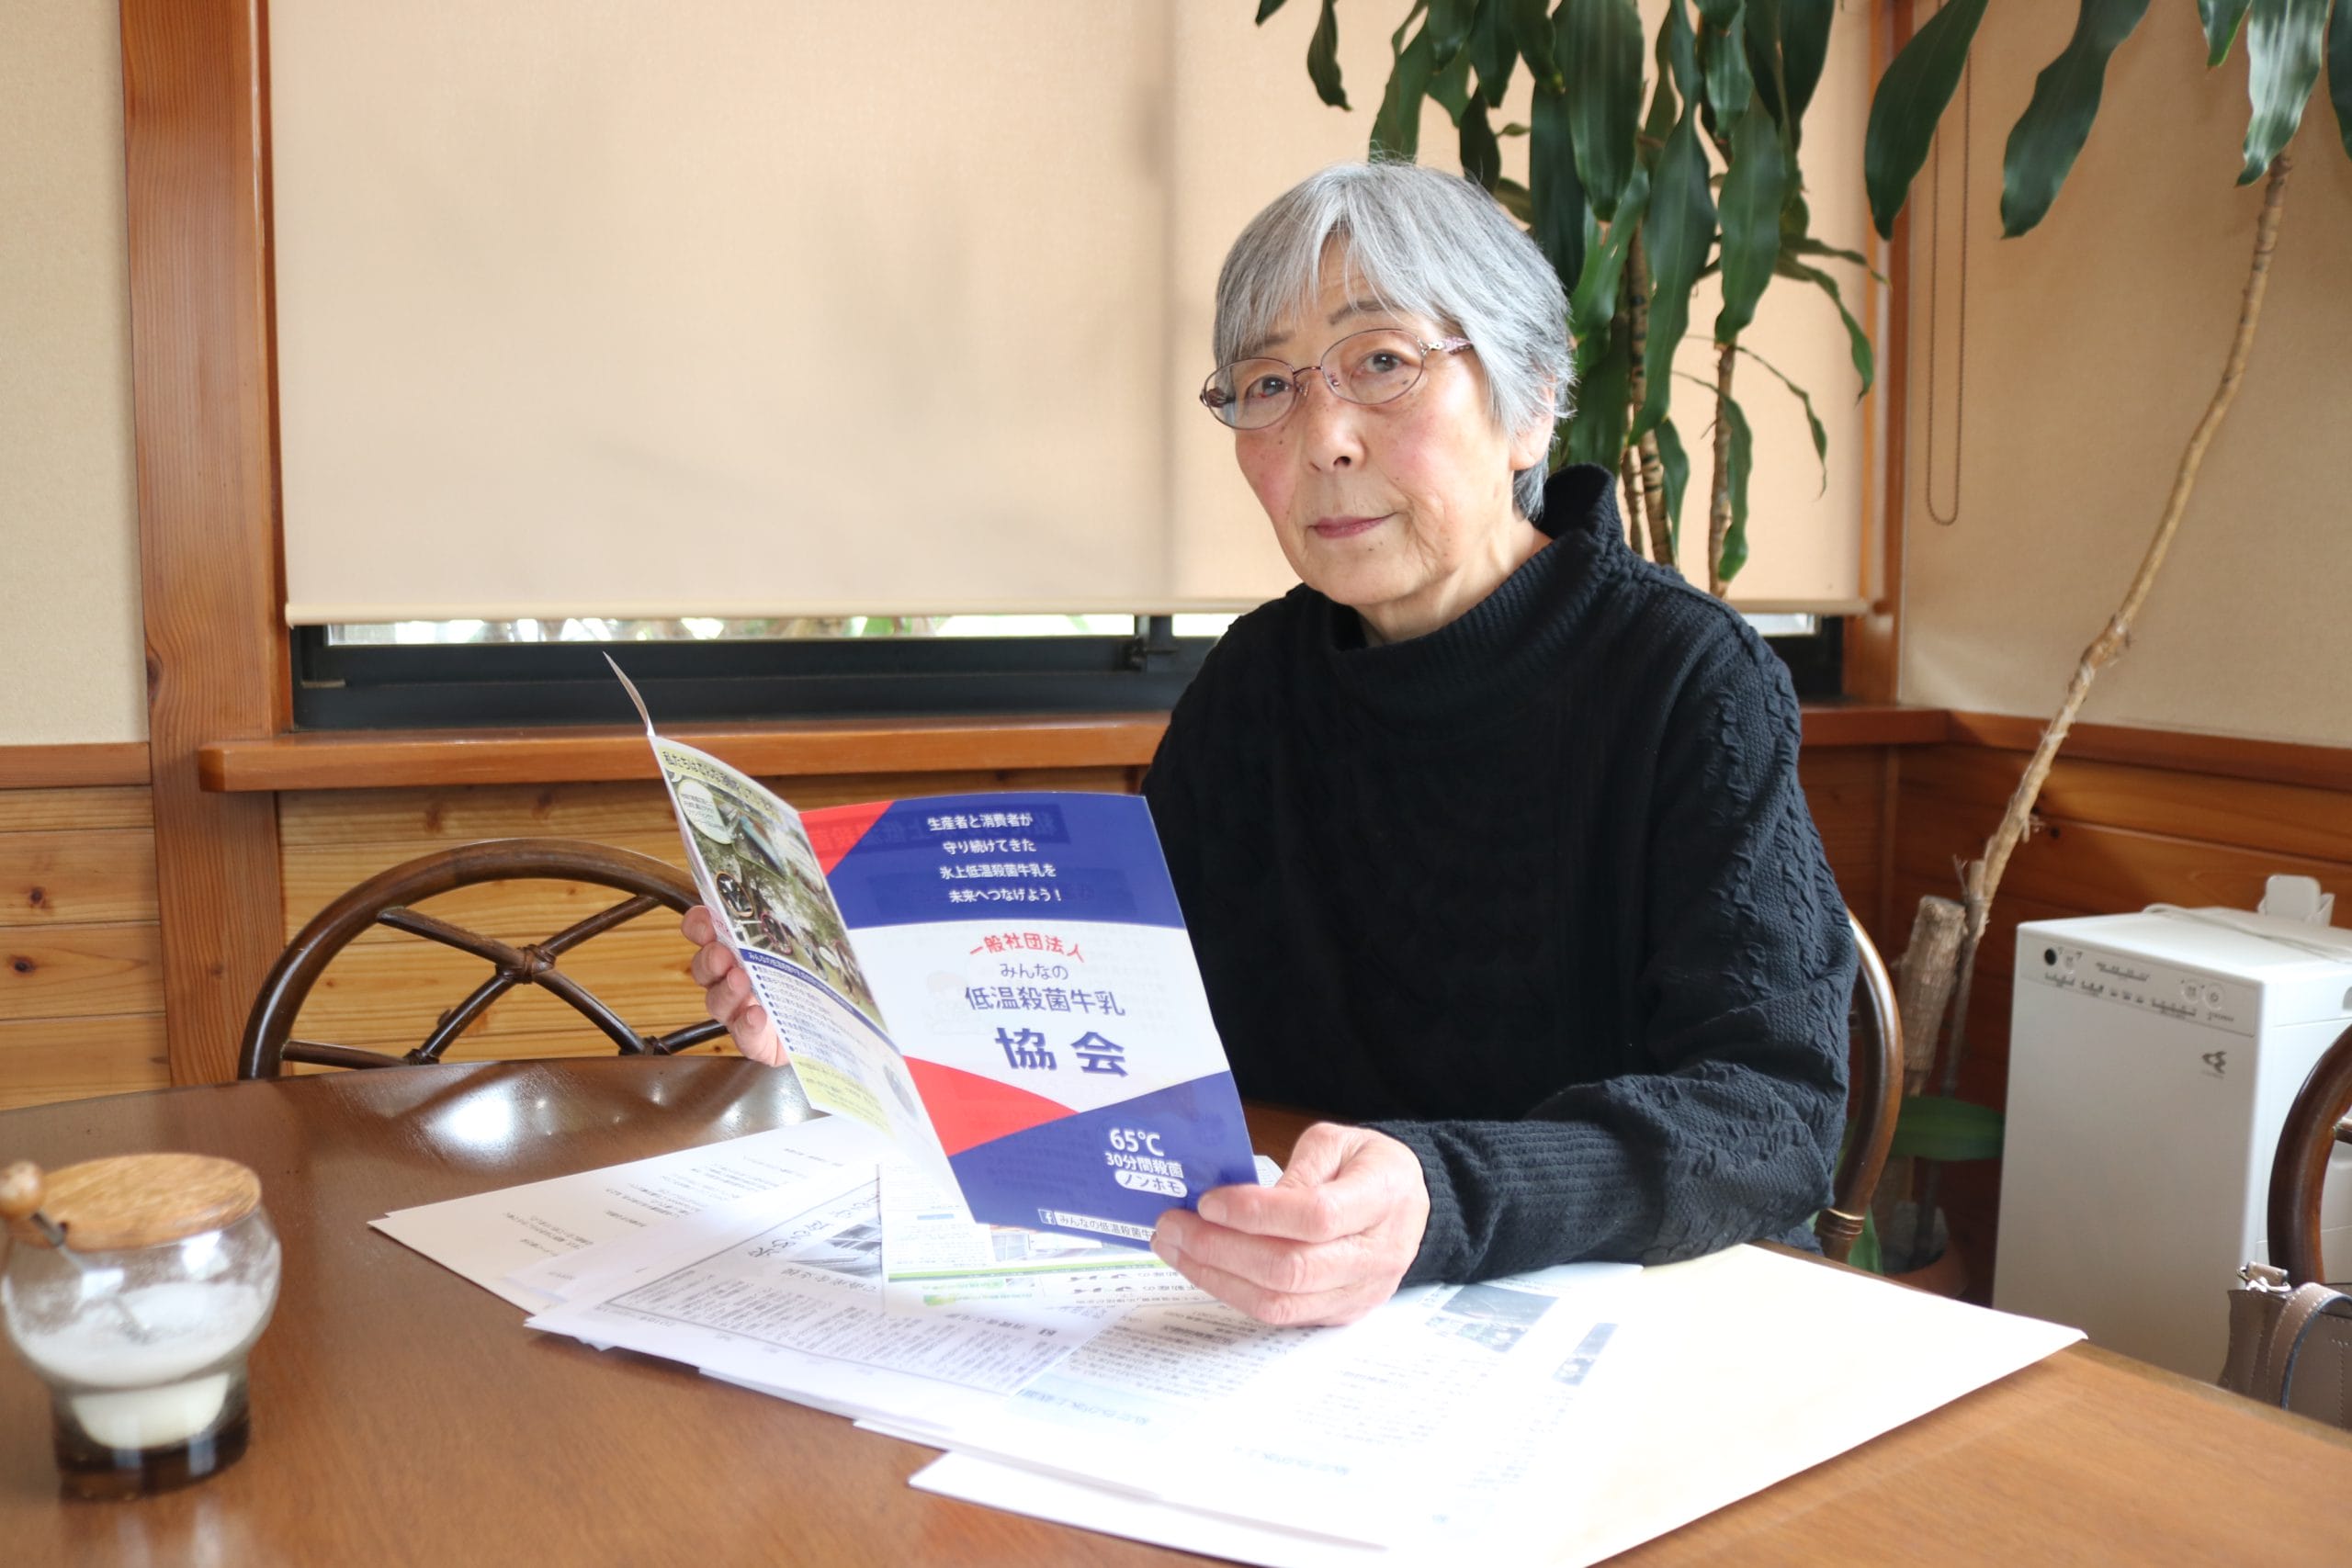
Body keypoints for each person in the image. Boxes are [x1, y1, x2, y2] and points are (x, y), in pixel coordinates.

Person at [683, 160, 1854, 1329]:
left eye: (1381, 363)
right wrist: (856, 1006)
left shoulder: (1686, 677)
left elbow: (1776, 1115)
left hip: (1617, 1322)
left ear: (1532, 401)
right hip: (1282, 1313)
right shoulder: (1256, 681)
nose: (1322, 437)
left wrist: (1439, 1196)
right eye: (1268, 385)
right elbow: (1119, 1016)